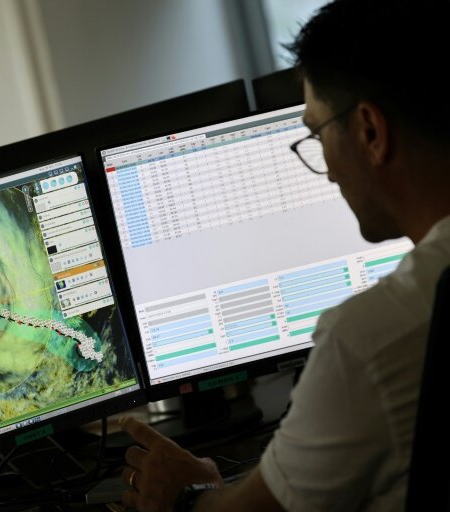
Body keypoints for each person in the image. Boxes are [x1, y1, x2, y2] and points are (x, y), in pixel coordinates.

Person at [118, 0, 450, 510]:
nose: (329, 170)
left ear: (370, 132)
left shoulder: (367, 342)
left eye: (316, 135)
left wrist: (185, 490)